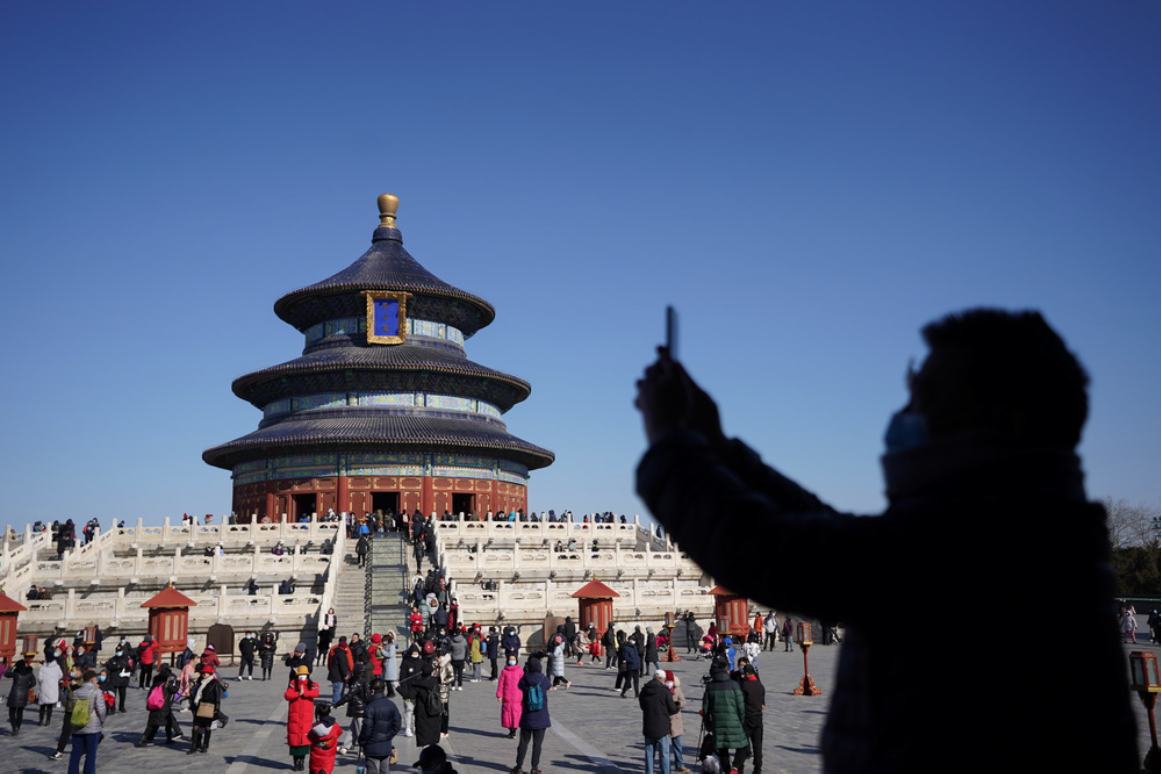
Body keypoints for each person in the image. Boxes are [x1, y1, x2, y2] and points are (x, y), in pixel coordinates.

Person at [634, 309, 1139, 772]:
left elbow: (771, 548)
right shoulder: (1021, 522)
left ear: (1008, 419)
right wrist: (720, 447)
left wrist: (670, 443)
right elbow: (831, 531)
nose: (907, 412)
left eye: (931, 396)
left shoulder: (993, 540)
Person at [701, 658, 750, 773]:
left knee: (722, 749)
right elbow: (741, 706)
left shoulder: (710, 686)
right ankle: (735, 768)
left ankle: (728, 770)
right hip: (734, 721)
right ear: (727, 671)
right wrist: (742, 721)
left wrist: (708, 724)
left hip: (717, 723)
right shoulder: (734, 684)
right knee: (743, 746)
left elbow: (705, 709)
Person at [511, 656, 551, 774]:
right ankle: (534, 767)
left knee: (523, 743)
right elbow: (548, 685)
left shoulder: (524, 680)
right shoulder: (544, 680)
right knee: (537, 744)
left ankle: (518, 767)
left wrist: (525, 671)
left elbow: (519, 686)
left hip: (527, 716)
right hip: (541, 717)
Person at [639, 668, 679, 774]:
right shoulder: (664, 691)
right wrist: (677, 706)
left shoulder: (644, 690)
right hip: (662, 727)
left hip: (648, 725)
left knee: (649, 753)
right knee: (664, 753)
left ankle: (649, 773)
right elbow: (672, 709)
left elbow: (642, 706)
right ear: (662, 679)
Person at [68, 669, 106, 774]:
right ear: (93, 679)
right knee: (90, 754)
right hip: (92, 727)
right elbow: (101, 710)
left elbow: (76, 707)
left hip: (78, 725)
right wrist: (101, 722)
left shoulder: (76, 692)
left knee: (75, 754)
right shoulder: (96, 691)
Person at [359, 678, 402, 773]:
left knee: (373, 771)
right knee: (385, 771)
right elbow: (397, 724)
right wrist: (388, 736)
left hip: (372, 746)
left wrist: (362, 741)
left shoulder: (370, 707)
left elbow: (367, 729)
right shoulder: (391, 705)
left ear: (372, 691)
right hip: (386, 745)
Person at [137, 664, 183, 747]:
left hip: (155, 704)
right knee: (165, 723)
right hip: (164, 705)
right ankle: (165, 738)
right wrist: (178, 682)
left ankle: (147, 738)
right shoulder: (166, 683)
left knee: (154, 723)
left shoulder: (156, 680)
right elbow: (174, 690)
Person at [285, 664, 320, 770]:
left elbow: (316, 693)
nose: (302, 677)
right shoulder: (293, 684)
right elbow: (287, 695)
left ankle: (302, 760)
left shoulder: (311, 685)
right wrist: (298, 694)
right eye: (300, 675)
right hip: (294, 717)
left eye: (304, 675)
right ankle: (296, 761)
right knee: (295, 742)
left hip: (306, 718)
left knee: (305, 741)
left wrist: (304, 693)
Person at [188, 663, 223, 755]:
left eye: (205, 673)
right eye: (203, 673)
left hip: (209, 707)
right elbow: (196, 694)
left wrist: (217, 709)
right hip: (199, 706)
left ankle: (205, 745)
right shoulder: (201, 682)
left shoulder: (214, 682)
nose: (203, 675)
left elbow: (218, 697)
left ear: (210, 674)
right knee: (195, 727)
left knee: (207, 728)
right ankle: (194, 746)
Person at [739, 664, 766, 773]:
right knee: (757, 745)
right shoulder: (761, 686)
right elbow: (763, 705)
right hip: (758, 718)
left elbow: (740, 703)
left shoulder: (745, 686)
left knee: (743, 745)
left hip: (747, 718)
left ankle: (740, 767)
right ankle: (758, 768)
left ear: (746, 674)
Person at [5, 651, 36, 735]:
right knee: (20, 712)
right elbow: (33, 683)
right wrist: (26, 687)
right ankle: (18, 727)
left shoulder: (16, 673)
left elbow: (6, 674)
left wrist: (10, 667)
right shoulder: (29, 673)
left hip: (14, 694)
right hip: (24, 694)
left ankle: (14, 727)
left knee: (12, 711)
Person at [412, 663, 442, 748]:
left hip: (422, 713)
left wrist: (398, 687)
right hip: (434, 711)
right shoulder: (435, 682)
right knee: (433, 735)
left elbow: (409, 696)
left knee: (424, 736)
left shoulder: (417, 684)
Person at [308, 703, 342, 775]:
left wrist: (320, 742)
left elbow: (310, 737)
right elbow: (339, 732)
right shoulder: (335, 726)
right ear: (329, 713)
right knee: (327, 770)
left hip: (316, 754)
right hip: (328, 756)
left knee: (315, 770)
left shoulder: (315, 727)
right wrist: (327, 742)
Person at [665, 671, 688, 774]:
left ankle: (679, 764)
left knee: (678, 744)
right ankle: (665, 766)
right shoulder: (661, 690)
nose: (668, 682)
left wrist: (678, 703)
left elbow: (684, 702)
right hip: (664, 720)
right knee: (664, 746)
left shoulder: (677, 689)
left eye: (670, 680)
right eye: (667, 680)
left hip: (675, 720)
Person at [496, 653, 523, 738]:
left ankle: (514, 730)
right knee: (507, 714)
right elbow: (501, 684)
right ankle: (510, 729)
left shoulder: (520, 671)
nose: (512, 661)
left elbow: (524, 683)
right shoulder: (504, 671)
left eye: (513, 659)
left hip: (517, 697)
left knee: (515, 714)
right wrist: (499, 695)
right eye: (510, 659)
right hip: (507, 697)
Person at [36, 647, 63, 727]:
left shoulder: (43, 667)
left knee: (42, 706)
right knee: (50, 706)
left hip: (44, 688)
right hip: (53, 688)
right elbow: (60, 675)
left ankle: (41, 720)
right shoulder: (57, 666)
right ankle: (48, 720)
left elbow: (40, 678)